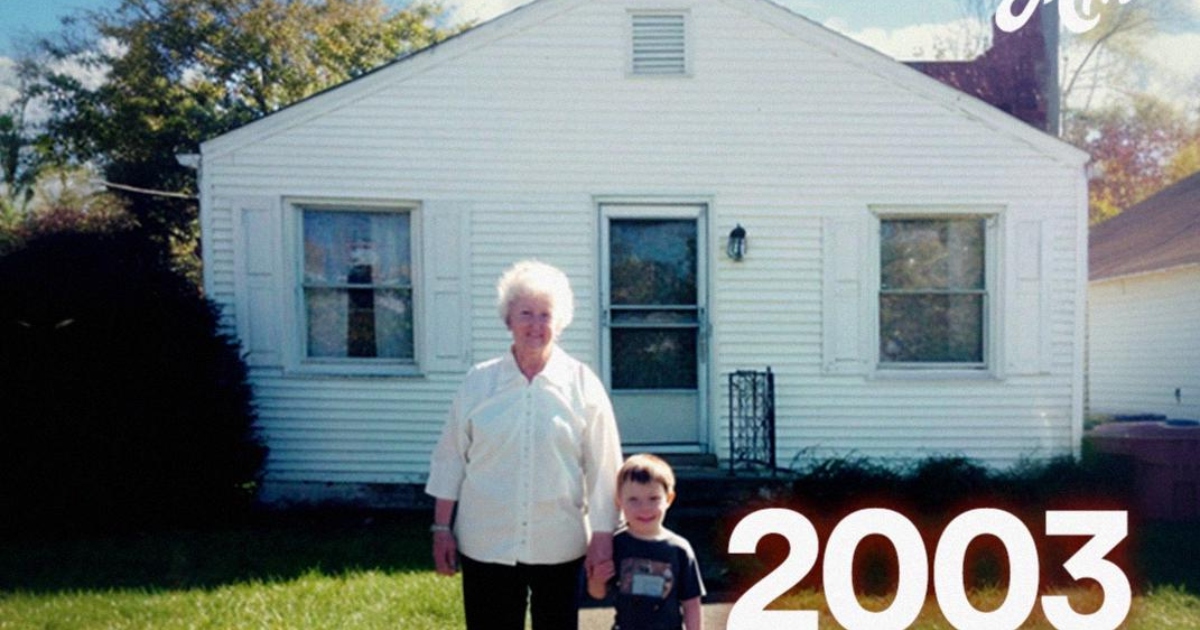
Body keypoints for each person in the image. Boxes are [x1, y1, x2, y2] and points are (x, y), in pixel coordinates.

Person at [425, 259, 624, 630]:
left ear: (559, 322)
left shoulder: (582, 384)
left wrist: (602, 536)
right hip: (486, 542)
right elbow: (450, 459)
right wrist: (441, 530)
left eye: (545, 315)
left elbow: (605, 467)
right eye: (526, 314)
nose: (535, 325)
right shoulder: (478, 383)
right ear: (508, 320)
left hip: (560, 544)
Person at [587, 453, 706, 630]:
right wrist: (597, 580)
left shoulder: (679, 549)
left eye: (653, 499)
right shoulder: (616, 545)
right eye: (633, 500)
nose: (644, 508)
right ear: (619, 501)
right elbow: (597, 593)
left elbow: (691, 603)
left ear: (669, 499)